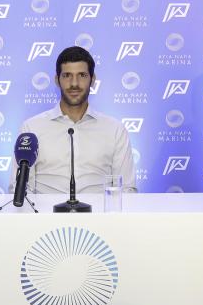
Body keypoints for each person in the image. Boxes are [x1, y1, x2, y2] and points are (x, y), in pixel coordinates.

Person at [11, 46, 137, 194]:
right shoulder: (32, 128)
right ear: (57, 80)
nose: (74, 83)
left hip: (99, 209)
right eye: (67, 75)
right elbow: (20, 190)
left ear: (92, 80)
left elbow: (126, 189)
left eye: (82, 75)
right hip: (46, 209)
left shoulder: (114, 130)